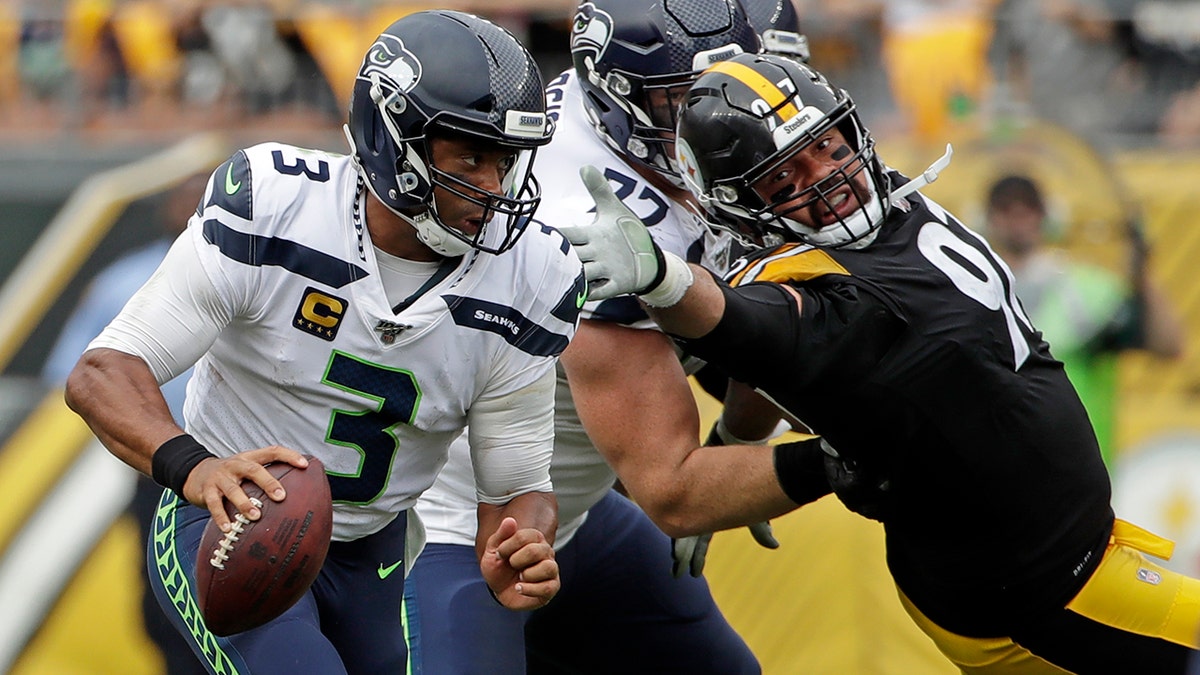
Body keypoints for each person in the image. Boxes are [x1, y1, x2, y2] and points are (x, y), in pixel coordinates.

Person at [562, 51, 1200, 672]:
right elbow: (747, 322)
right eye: (787, 179)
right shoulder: (828, 297)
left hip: (1064, 554)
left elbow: (768, 358)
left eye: (831, 147)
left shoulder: (884, 205)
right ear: (739, 204)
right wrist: (663, 279)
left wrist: (736, 435)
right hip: (1045, 592)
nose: (830, 179)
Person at [63, 10, 581, 675]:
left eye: (505, 160)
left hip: (374, 552)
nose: (492, 187)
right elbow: (102, 372)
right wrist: (197, 468)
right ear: (394, 140)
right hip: (229, 524)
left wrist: (522, 543)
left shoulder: (534, 275)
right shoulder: (275, 206)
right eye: (472, 156)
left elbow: (515, 488)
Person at [403, 1, 767, 673]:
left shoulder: (610, 114)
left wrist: (745, 432)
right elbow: (673, 490)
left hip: (575, 510)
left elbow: (758, 324)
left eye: (732, 88)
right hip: (461, 523)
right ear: (619, 99)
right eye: (682, 100)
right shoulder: (582, 225)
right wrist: (845, 465)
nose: (717, 119)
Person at [42, 172, 209, 675]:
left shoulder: (267, 274)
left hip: (251, 465)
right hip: (157, 466)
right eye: (182, 195)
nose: (188, 207)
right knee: (162, 602)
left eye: (200, 197)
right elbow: (75, 374)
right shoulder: (123, 279)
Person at [984, 173, 1184, 467]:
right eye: (1005, 208)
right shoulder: (974, 294)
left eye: (1028, 207)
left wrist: (1142, 277)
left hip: (1081, 477)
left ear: (1047, 216)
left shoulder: (1089, 291)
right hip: (1000, 478)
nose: (1018, 217)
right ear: (986, 219)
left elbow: (1168, 346)